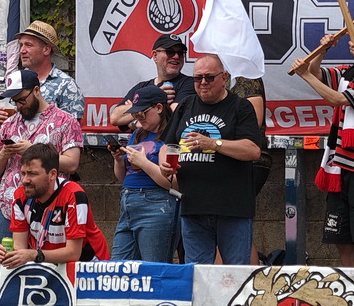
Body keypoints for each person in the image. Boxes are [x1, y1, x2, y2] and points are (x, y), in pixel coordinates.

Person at [291, 23, 354, 267]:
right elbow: (319, 75)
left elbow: (336, 99)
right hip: (339, 167)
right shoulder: (348, 74)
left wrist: (304, 74)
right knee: (341, 239)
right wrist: (322, 50)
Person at [160, 54, 261, 264]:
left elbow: (252, 150)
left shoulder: (240, 107)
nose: (203, 83)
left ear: (224, 77)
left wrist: (213, 144)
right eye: (198, 78)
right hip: (193, 206)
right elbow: (168, 145)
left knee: (236, 275)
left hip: (232, 208)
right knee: (197, 276)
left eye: (209, 77)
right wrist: (164, 164)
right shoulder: (186, 105)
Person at [0, 69, 83, 241]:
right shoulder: (9, 124)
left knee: (45, 263)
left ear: (37, 91)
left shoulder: (65, 121)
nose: (18, 106)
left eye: (22, 100)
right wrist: (3, 154)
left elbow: (72, 164)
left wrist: (32, 150)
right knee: (6, 263)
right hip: (10, 208)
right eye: (14, 101)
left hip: (49, 210)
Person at [0, 144, 109, 267]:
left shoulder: (74, 195)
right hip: (46, 261)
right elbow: (19, 247)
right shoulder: (20, 196)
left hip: (87, 263)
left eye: (32, 174)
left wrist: (34, 255)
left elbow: (73, 253)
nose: (25, 180)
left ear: (53, 174)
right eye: (23, 173)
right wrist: (8, 255)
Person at [110, 86, 179, 262]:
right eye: (135, 115)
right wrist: (119, 160)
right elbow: (124, 178)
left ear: (159, 108)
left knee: (153, 268)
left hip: (156, 203)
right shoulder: (138, 134)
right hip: (129, 200)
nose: (139, 118)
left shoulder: (171, 136)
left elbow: (173, 183)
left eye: (142, 114)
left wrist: (144, 163)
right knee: (119, 270)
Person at [0, 20, 85, 124]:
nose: (22, 50)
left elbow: (73, 133)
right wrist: (3, 125)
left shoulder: (66, 85)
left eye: (28, 45)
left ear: (46, 50)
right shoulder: (17, 79)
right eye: (21, 45)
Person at [110, 33, 195, 131]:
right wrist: (152, 99)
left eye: (180, 53)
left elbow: (172, 118)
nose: (176, 56)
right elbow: (115, 118)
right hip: (140, 145)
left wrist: (134, 118)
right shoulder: (141, 87)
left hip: (167, 145)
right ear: (155, 55)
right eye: (170, 52)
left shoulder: (189, 84)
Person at [229, 76, 271, 265]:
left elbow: (253, 122)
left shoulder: (248, 79)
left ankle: (250, 283)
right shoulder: (221, 79)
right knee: (229, 226)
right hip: (224, 162)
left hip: (248, 161)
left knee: (232, 225)